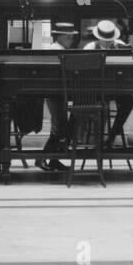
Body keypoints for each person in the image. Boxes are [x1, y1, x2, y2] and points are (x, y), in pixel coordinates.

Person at [83, 19, 133, 149]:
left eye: (110, 39)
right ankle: (97, 141)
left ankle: (111, 137)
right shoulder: (89, 48)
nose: (108, 42)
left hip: (116, 88)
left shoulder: (120, 45)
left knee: (128, 101)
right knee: (99, 107)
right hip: (95, 89)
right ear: (98, 38)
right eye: (105, 39)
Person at [37, 22, 78, 173]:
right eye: (69, 38)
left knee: (60, 126)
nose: (72, 41)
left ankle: (53, 160)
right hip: (55, 93)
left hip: (58, 92)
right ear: (60, 37)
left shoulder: (58, 49)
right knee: (59, 126)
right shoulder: (55, 51)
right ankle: (41, 158)